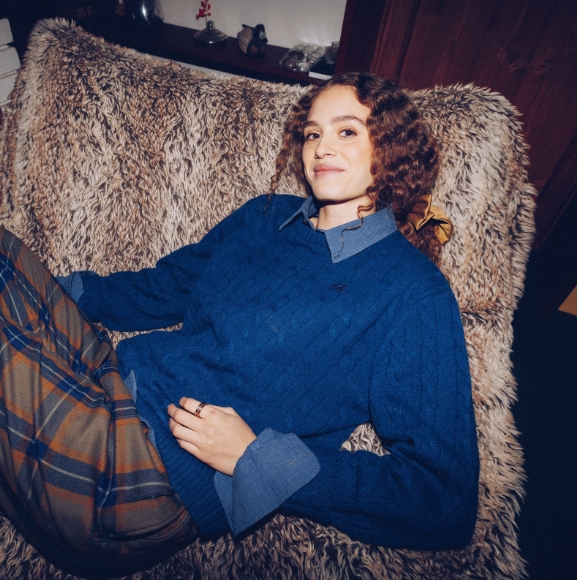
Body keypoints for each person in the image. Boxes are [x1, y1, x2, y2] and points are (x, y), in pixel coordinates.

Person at [0, 73, 479, 579]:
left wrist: (256, 459)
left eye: (346, 131)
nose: (322, 148)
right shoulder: (265, 217)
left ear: (391, 147)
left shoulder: (413, 294)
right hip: (105, 379)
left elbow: (441, 497)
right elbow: (166, 287)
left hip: (134, 477)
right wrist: (48, 290)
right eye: (312, 133)